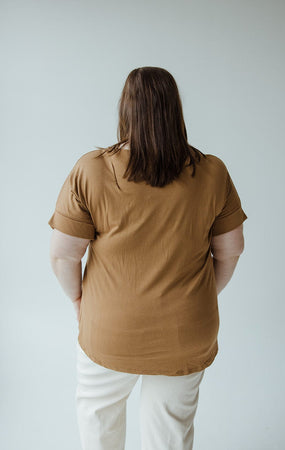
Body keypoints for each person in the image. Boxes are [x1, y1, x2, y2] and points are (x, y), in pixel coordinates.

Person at [48, 66, 248, 450]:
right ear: (175, 110)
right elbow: (231, 250)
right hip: (187, 329)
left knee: (99, 420)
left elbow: (63, 256)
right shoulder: (212, 172)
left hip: (109, 327)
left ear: (126, 109)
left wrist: (78, 300)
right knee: (169, 433)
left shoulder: (92, 169)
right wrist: (201, 295)